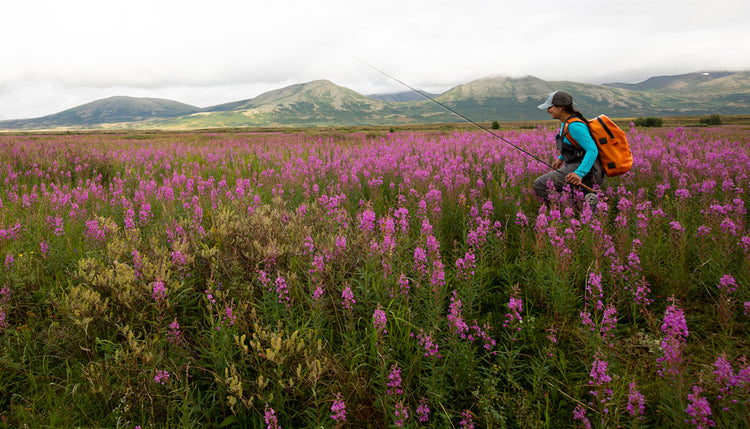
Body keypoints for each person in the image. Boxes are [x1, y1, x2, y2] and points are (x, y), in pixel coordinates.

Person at [533, 91, 604, 203]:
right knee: (585, 204)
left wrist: (579, 173)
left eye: (550, 107)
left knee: (540, 184)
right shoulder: (566, 123)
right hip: (580, 166)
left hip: (587, 170)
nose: (547, 111)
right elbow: (575, 146)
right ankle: (573, 213)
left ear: (561, 107)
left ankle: (561, 213)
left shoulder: (574, 125)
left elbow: (592, 149)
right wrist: (561, 158)